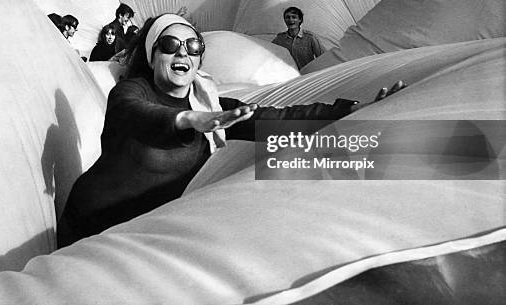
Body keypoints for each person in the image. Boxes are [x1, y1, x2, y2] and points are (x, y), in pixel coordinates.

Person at [57, 13, 405, 247]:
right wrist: (186, 121)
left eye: (193, 46)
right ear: (151, 56)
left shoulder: (208, 106)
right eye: (169, 45)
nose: (183, 53)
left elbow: (273, 120)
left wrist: (351, 109)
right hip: (86, 228)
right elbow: (133, 114)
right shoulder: (132, 92)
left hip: (137, 237)